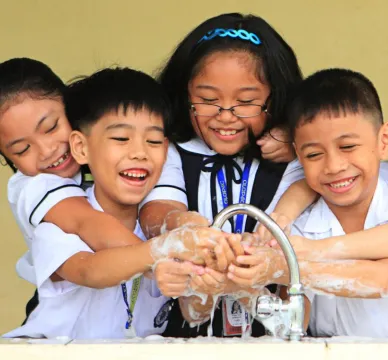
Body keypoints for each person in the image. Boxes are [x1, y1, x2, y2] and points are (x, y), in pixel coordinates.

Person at [228, 68, 388, 337]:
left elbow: (380, 280)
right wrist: (239, 283)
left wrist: (285, 267)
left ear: (383, 141)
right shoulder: (301, 227)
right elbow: (292, 325)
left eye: (348, 147)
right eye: (314, 154)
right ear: (299, 158)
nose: (334, 166)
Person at [2, 67, 224, 339]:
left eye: (50, 128)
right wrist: (162, 255)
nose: (48, 150)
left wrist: (203, 275)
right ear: (81, 145)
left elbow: (195, 312)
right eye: (22, 150)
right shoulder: (50, 218)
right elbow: (88, 267)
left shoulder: (151, 216)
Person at [138, 13, 306, 338]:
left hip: (271, 340)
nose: (225, 116)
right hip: (182, 341)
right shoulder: (172, 149)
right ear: (184, 92)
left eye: (245, 102)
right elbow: (155, 212)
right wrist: (186, 226)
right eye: (208, 100)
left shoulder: (290, 158)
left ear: (276, 97)